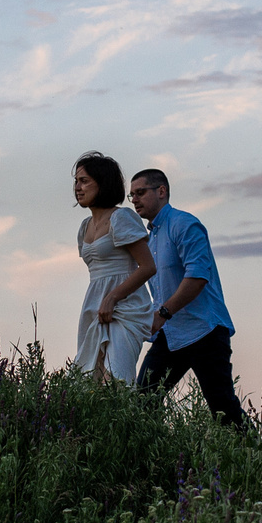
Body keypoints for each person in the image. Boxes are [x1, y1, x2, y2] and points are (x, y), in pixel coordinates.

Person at [127, 167, 246, 426]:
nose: (134, 200)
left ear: (162, 191)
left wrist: (163, 313)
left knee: (223, 408)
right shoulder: (149, 239)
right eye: (131, 195)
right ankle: (160, 462)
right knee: (142, 404)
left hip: (204, 331)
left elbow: (197, 277)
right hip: (170, 336)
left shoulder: (185, 224)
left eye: (140, 193)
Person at [70, 151, 157, 385]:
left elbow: (148, 267)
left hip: (125, 307)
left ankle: (129, 422)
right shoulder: (84, 227)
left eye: (84, 181)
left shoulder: (122, 218)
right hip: (94, 306)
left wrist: (112, 298)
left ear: (103, 183)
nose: (78, 187)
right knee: (89, 380)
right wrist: (103, 301)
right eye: (76, 181)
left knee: (116, 381)